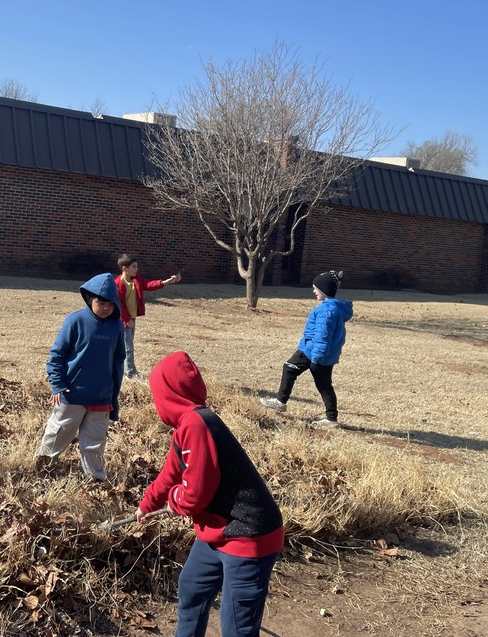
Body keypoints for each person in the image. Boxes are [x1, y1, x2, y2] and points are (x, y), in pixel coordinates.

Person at [137, 351, 283, 637]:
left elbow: (195, 496)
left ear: (167, 394)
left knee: (236, 627)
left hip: (248, 537)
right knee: (191, 588)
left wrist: (174, 502)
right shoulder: (187, 427)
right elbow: (171, 473)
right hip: (218, 532)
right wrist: (146, 504)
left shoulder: (197, 425)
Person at [34, 273, 125, 480]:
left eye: (111, 304)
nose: (106, 308)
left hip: (101, 396)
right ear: (89, 299)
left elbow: (118, 362)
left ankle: (95, 477)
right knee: (58, 432)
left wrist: (113, 396)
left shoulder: (116, 327)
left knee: (95, 440)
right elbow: (57, 354)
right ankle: (43, 466)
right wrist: (57, 384)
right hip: (72, 393)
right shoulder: (75, 321)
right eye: (101, 303)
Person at [261, 270, 352, 428]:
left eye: (316, 288)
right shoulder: (333, 309)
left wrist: (317, 357)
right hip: (320, 353)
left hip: (313, 352)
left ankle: (281, 401)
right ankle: (331, 418)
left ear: (324, 290)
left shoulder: (326, 311)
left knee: (290, 368)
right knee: (323, 384)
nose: (314, 291)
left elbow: (323, 337)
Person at [114, 253, 182, 379]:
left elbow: (150, 285)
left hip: (131, 318)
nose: (137, 269)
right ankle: (130, 372)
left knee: (126, 345)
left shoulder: (137, 280)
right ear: (124, 268)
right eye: (134, 267)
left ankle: (122, 369)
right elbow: (118, 304)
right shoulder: (117, 283)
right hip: (123, 320)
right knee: (128, 347)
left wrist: (168, 281)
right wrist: (127, 319)